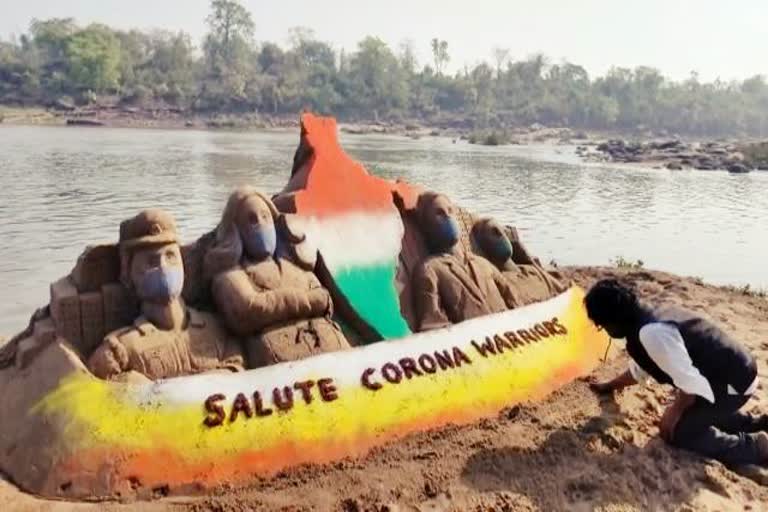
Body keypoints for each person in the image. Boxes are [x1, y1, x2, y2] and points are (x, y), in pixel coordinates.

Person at [585, 279, 768, 466]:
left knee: (680, 432)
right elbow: (645, 366)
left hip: (734, 384)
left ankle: (757, 448)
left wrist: (675, 411)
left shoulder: (652, 333)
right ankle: (755, 424)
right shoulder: (645, 316)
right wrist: (611, 385)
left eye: (603, 325)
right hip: (733, 370)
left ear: (614, 319)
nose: (606, 331)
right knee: (697, 411)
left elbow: (690, 382)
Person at [88, 209, 245, 381]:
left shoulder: (216, 329)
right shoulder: (122, 349)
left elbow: (239, 368)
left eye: (171, 256)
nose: (163, 267)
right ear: (128, 274)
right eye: (151, 261)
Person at [205, 185, 350, 368]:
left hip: (333, 352)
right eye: (252, 220)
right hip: (280, 370)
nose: (261, 224)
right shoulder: (228, 276)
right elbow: (249, 309)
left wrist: (286, 303)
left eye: (265, 217)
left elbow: (325, 298)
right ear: (236, 230)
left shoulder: (295, 264)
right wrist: (306, 299)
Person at [412, 192, 521, 332]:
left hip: (513, 337)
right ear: (427, 226)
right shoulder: (430, 270)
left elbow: (514, 300)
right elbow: (432, 326)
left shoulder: (482, 263)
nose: (447, 216)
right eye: (439, 213)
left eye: (450, 211)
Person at [471, 217, 566, 305]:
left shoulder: (529, 269)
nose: (500, 233)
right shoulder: (504, 285)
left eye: (501, 231)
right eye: (494, 231)